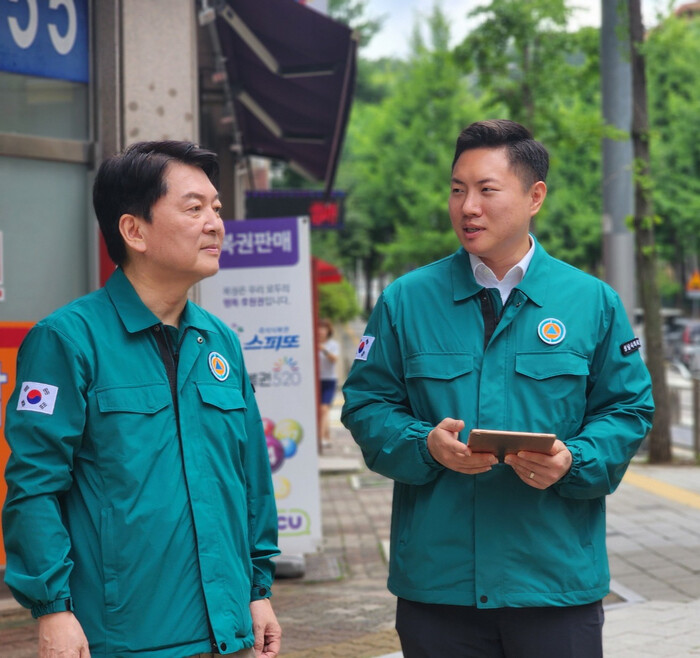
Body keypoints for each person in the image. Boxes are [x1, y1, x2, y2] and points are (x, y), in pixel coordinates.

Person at [341, 119, 654, 658]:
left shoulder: (592, 302)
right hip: (440, 588)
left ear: (535, 197)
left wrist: (574, 459)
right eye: (457, 189)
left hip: (553, 582)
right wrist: (424, 444)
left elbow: (628, 408)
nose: (468, 207)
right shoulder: (406, 301)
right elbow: (367, 404)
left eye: (487, 190)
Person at [2, 141, 281, 658]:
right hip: (124, 639)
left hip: (229, 633)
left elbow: (250, 479)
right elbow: (34, 488)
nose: (215, 224)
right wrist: (53, 609)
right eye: (194, 208)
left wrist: (257, 590)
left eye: (217, 208)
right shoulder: (67, 340)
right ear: (134, 231)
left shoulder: (220, 341)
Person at [317, 318, 340, 447]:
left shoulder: (333, 345)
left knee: (324, 409)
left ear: (328, 331)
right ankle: (326, 437)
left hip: (329, 381)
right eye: (319, 328)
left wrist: (323, 350)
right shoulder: (312, 343)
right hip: (316, 381)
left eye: (323, 328)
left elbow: (334, 359)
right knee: (322, 411)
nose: (321, 331)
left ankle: (321, 438)